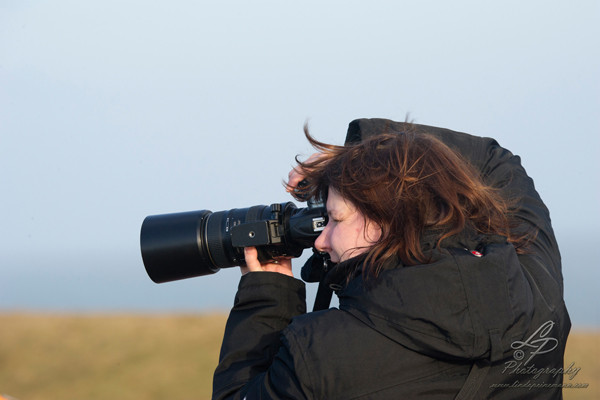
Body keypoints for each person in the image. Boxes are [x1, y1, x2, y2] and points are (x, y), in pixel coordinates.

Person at [212, 118, 570, 399]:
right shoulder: (537, 286)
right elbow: (496, 164)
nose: (321, 240)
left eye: (336, 218)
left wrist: (267, 298)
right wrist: (371, 158)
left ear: (389, 223)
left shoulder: (321, 354)